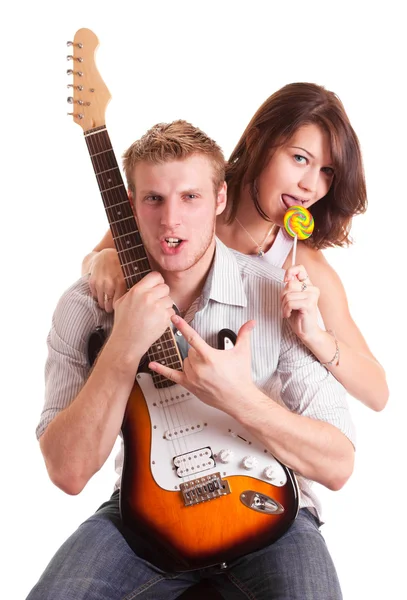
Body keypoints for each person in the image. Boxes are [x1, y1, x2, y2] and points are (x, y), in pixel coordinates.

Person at [28, 120, 355, 599]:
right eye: (154, 199)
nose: (171, 221)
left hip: (273, 512)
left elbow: (339, 464)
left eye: (190, 198)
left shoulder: (277, 297)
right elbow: (67, 472)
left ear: (220, 199)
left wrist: (239, 398)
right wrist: (121, 347)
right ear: (128, 204)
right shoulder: (83, 307)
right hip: (144, 518)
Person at [83, 83, 388, 411]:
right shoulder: (192, 194)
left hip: (245, 435)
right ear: (260, 141)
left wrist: (315, 335)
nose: (311, 186)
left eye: (327, 171)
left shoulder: (303, 266)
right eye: (300, 158)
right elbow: (98, 256)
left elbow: (377, 392)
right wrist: (102, 260)